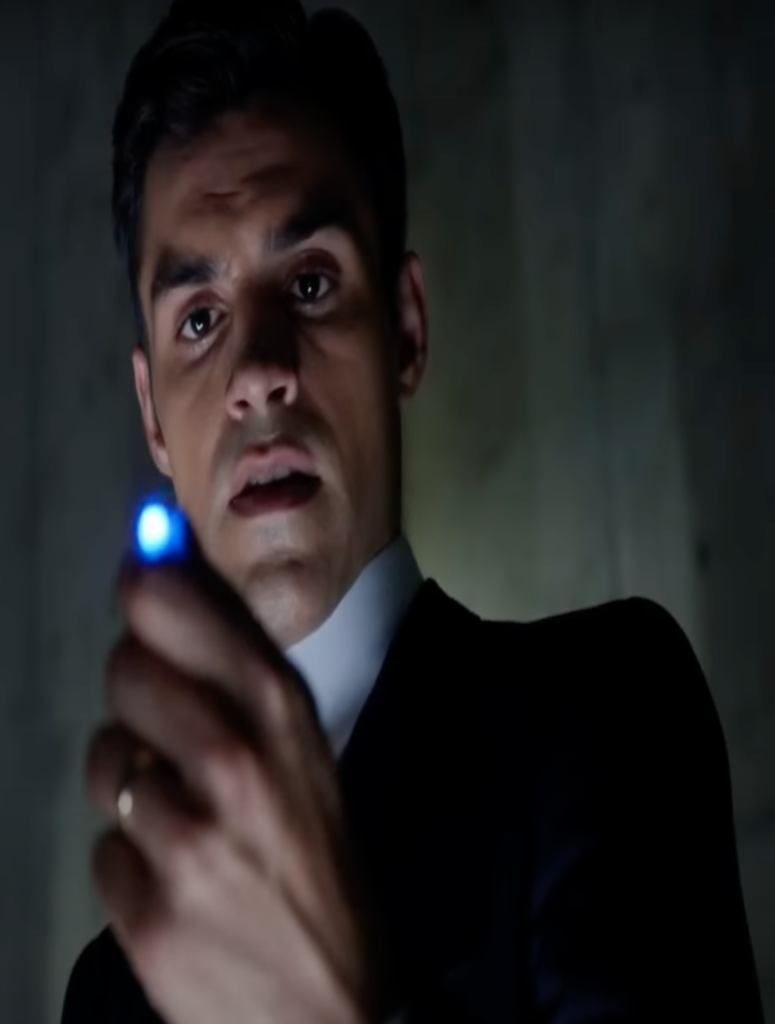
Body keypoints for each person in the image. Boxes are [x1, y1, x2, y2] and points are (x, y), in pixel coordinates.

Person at [61, 2, 764, 1022]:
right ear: (151, 416)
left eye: (309, 283)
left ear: (405, 326)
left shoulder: (605, 715)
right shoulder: (109, 989)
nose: (257, 371)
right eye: (200, 319)